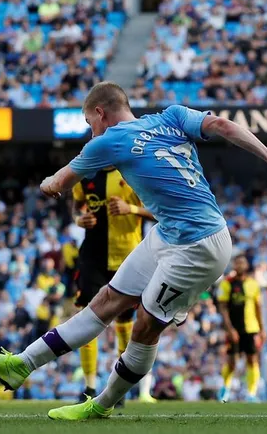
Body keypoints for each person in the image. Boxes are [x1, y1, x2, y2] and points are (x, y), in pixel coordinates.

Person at [0, 81, 267, 421]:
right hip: (169, 233)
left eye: (89, 123)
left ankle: (102, 404)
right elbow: (222, 125)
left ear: (100, 113)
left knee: (145, 324)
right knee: (106, 301)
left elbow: (60, 182)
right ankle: (20, 365)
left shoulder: (109, 140)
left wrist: (47, 182)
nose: (91, 131)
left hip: (198, 245)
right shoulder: (172, 116)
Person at [71, 168, 156, 404]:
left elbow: (160, 212)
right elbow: (77, 205)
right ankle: (88, 386)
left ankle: (118, 388)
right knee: (86, 317)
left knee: (125, 323)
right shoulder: (86, 174)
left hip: (128, 259)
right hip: (92, 258)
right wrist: (79, 218)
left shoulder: (133, 173)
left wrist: (132, 209)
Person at [217, 253, 264, 402]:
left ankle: (251, 394)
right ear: (233, 266)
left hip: (251, 328)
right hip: (234, 329)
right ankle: (225, 388)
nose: (239, 266)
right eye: (237, 263)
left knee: (252, 359)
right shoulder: (227, 283)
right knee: (232, 361)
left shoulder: (253, 284)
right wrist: (229, 329)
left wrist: (262, 329)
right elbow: (223, 308)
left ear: (247, 265)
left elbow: (258, 307)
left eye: (242, 263)